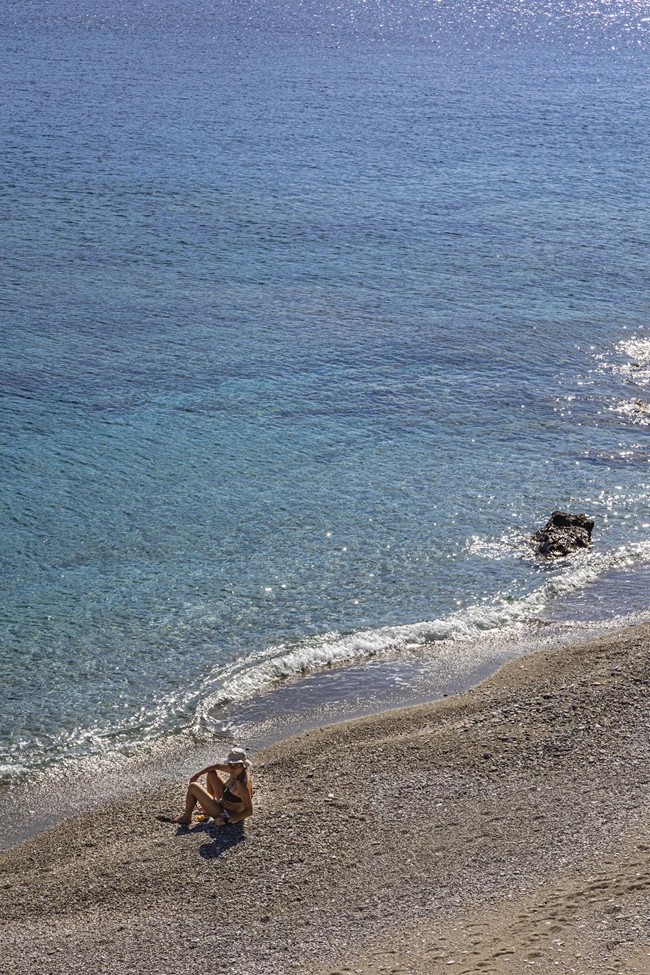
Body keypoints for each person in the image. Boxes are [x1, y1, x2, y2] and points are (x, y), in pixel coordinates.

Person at [175, 747, 254, 826]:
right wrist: (196, 775)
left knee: (193, 786)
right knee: (212, 774)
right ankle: (208, 807)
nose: (232, 768)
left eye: (236, 765)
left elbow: (249, 811)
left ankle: (186, 817)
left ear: (243, 765)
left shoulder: (242, 784)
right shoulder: (236, 771)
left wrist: (226, 820)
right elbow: (217, 766)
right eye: (230, 765)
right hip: (223, 801)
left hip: (226, 814)